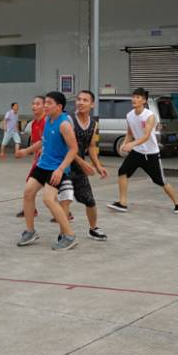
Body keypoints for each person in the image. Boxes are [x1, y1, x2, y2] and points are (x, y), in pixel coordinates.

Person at [15, 91, 78, 251]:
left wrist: (60, 169)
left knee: (48, 199)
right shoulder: (48, 120)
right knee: (28, 193)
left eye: (49, 103)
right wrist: (26, 151)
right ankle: (30, 232)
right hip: (43, 165)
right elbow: (43, 142)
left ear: (59, 107)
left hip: (56, 168)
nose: (45, 106)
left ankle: (69, 236)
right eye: (45, 103)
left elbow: (73, 149)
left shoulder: (64, 124)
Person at [107, 88, 178, 214]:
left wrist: (131, 144)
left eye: (138, 97)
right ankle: (122, 203)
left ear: (144, 100)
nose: (134, 99)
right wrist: (124, 144)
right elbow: (129, 133)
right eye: (133, 97)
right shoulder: (129, 115)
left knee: (160, 181)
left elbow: (146, 136)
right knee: (122, 172)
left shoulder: (149, 116)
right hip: (137, 152)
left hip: (151, 154)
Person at [63, 89, 108, 241]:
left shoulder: (93, 124)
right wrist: (83, 163)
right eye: (79, 99)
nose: (80, 102)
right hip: (64, 166)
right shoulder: (69, 120)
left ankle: (93, 229)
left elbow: (92, 147)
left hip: (79, 169)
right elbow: (67, 147)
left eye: (85, 100)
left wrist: (98, 166)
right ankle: (65, 234)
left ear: (92, 104)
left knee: (89, 200)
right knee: (65, 200)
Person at [15, 95, 45, 218]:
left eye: (38, 104)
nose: (34, 106)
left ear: (44, 106)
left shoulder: (47, 122)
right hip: (40, 159)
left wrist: (25, 151)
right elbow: (35, 143)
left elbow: (44, 142)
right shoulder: (33, 124)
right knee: (31, 183)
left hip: (50, 160)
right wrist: (34, 158)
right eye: (33, 104)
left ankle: (65, 211)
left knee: (54, 187)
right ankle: (31, 209)